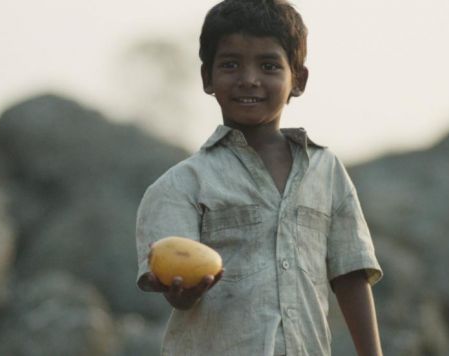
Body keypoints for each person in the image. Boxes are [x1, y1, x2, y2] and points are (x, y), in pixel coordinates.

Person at [134, 0, 384, 355]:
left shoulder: (326, 171)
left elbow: (351, 274)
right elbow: (176, 285)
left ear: (298, 80)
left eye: (269, 65)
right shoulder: (180, 186)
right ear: (207, 77)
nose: (249, 79)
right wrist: (182, 294)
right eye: (231, 64)